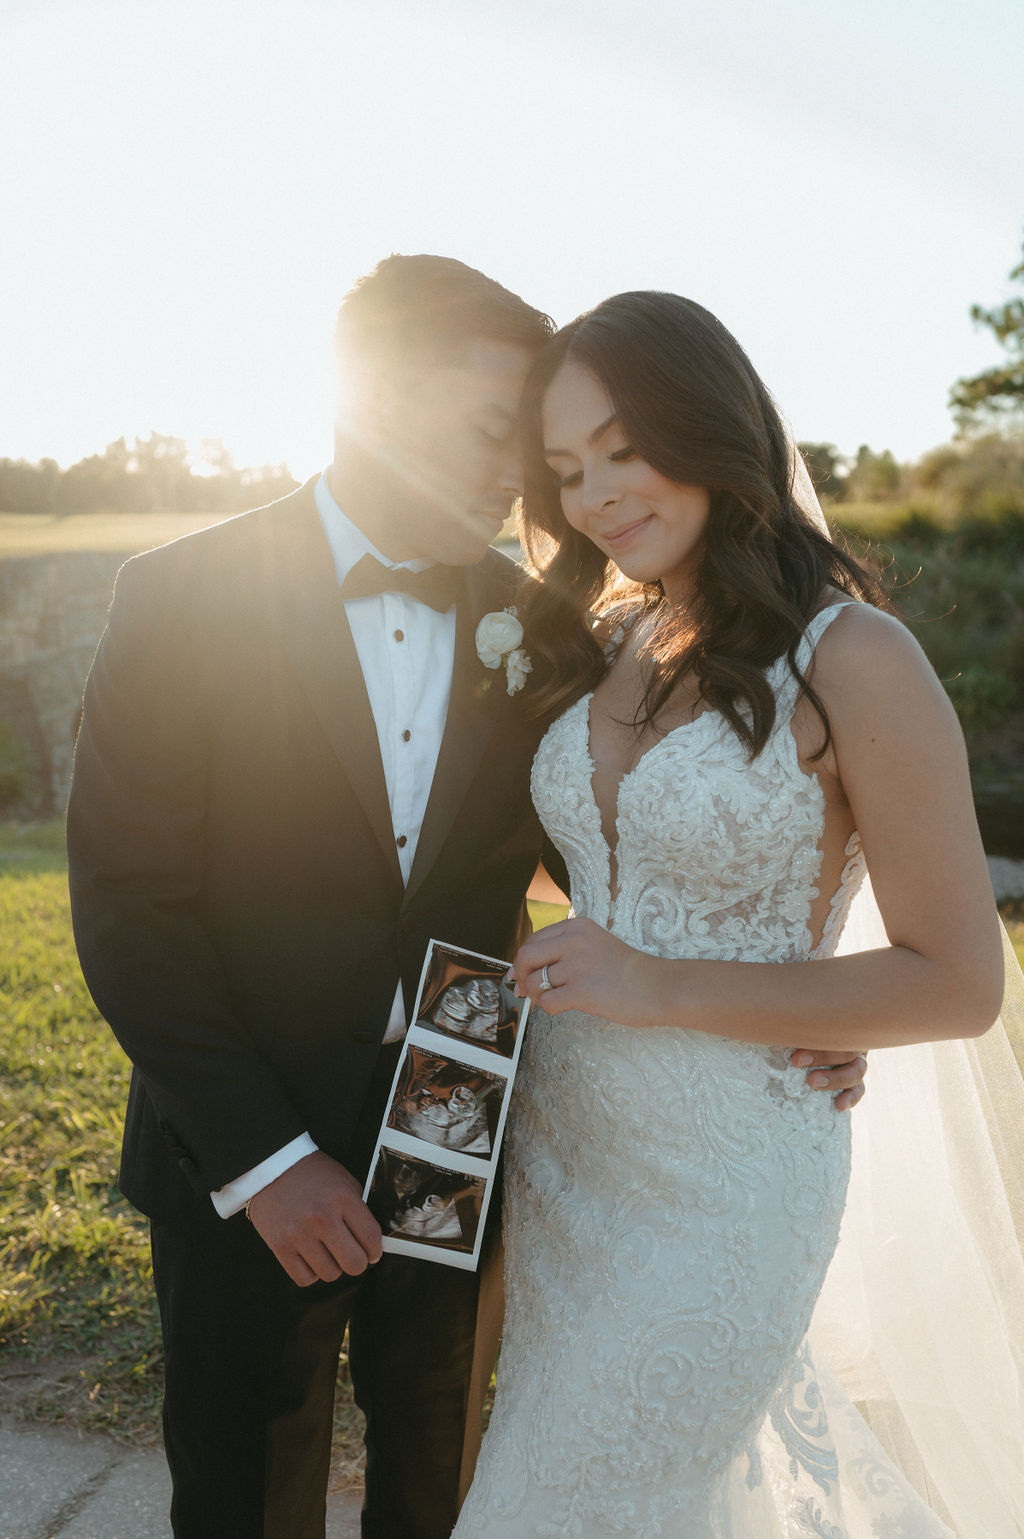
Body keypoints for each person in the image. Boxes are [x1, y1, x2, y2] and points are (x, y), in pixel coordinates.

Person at [65, 257, 868, 1539]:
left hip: (466, 1112)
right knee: (241, 1478)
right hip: (242, 1137)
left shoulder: (545, 626)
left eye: (539, 455)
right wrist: (268, 1164)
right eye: (497, 432)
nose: (525, 477)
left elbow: (620, 846)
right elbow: (129, 906)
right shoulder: (182, 597)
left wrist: (800, 1006)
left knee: (439, 1459)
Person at [451, 291, 1023, 1537]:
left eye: (620, 447)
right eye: (563, 469)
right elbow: (606, 863)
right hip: (563, 1156)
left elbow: (957, 979)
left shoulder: (853, 655)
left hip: (727, 1179)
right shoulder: (602, 639)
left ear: (708, 425)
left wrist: (664, 983)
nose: (594, 493)